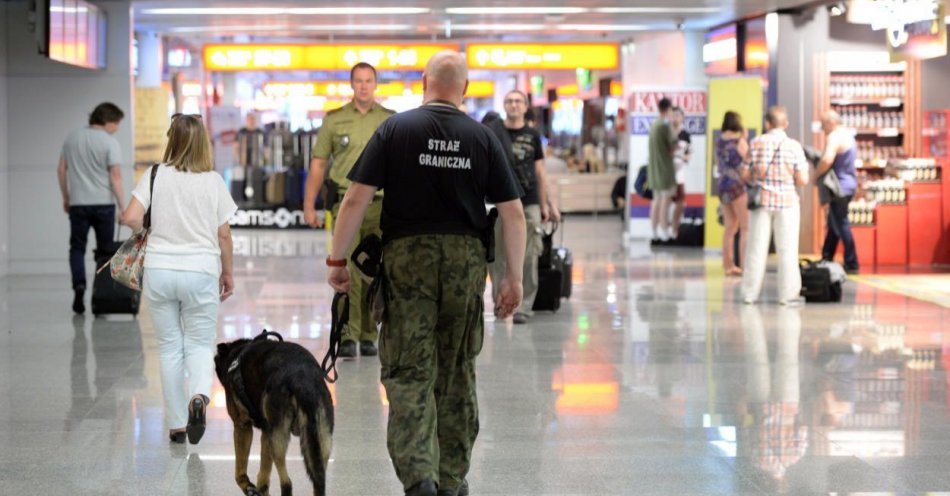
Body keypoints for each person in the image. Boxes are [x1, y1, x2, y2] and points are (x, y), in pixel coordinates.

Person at [326, 50, 527, 496]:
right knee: (455, 370)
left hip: (407, 258)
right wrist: (513, 278)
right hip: (465, 260)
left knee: (409, 369)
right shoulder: (482, 137)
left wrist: (338, 261)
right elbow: (513, 214)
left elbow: (356, 198)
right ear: (466, 89)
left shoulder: (395, 129)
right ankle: (452, 480)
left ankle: (420, 477)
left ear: (423, 82)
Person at [120, 115, 237, 444]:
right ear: (203, 143)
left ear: (171, 139)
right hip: (200, 271)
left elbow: (129, 216)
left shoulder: (155, 174)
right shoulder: (212, 180)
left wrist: (150, 229)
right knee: (199, 344)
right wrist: (227, 273)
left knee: (170, 347)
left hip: (159, 270)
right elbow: (224, 235)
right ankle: (198, 397)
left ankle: (176, 425)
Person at [303, 62, 395, 358]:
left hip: (382, 205)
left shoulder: (390, 120)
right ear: (351, 84)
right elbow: (318, 163)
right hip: (344, 204)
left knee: (375, 269)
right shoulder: (335, 120)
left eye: (369, 81)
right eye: (359, 81)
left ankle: (369, 334)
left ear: (376, 84)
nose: (364, 86)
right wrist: (309, 203)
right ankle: (346, 334)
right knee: (342, 268)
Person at [487, 90, 560, 325]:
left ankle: (523, 306)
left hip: (528, 201)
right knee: (497, 256)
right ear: (504, 105)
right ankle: (500, 303)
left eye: (518, 101)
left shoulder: (533, 135)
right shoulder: (492, 132)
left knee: (529, 256)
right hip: (498, 201)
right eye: (509, 101)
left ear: (526, 106)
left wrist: (547, 203)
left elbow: (540, 172)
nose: (513, 105)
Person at [57, 102, 126, 314]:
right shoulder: (109, 142)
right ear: (107, 121)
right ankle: (100, 296)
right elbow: (115, 178)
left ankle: (79, 285)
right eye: (116, 123)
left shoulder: (72, 137)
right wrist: (123, 207)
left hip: (78, 204)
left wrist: (66, 197)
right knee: (104, 251)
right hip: (104, 205)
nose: (117, 128)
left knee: (77, 248)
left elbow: (61, 170)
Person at [740, 106, 809, 305]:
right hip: (787, 203)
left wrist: (757, 177)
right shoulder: (794, 146)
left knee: (756, 248)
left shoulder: (756, 143)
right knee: (787, 249)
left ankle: (749, 294)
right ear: (785, 124)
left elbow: (744, 173)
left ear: (767, 123)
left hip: (761, 201)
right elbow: (803, 179)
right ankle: (787, 296)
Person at [816, 110, 860, 274]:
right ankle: (827, 256)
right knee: (834, 222)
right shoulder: (848, 135)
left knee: (840, 223)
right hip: (848, 184)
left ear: (831, 122)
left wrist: (816, 174)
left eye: (823, 124)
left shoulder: (834, 136)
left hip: (838, 187)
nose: (822, 128)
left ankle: (852, 262)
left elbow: (827, 159)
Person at [716, 111, 750, 276]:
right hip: (737, 186)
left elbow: (718, 165)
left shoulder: (719, 142)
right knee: (745, 227)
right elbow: (748, 160)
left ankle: (728, 265)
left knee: (729, 227)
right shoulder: (739, 142)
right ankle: (744, 266)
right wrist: (744, 137)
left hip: (722, 186)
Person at [647, 97, 677, 244]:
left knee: (656, 200)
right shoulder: (666, 125)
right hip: (664, 170)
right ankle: (664, 231)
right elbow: (673, 146)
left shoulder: (654, 124)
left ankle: (654, 232)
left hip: (654, 170)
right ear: (668, 109)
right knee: (665, 201)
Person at [670, 107, 691, 239]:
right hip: (667, 172)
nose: (676, 118)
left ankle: (674, 227)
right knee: (664, 201)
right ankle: (664, 229)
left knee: (681, 202)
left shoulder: (685, 135)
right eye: (674, 115)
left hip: (679, 172)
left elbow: (688, 154)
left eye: (679, 115)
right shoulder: (667, 132)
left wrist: (682, 157)